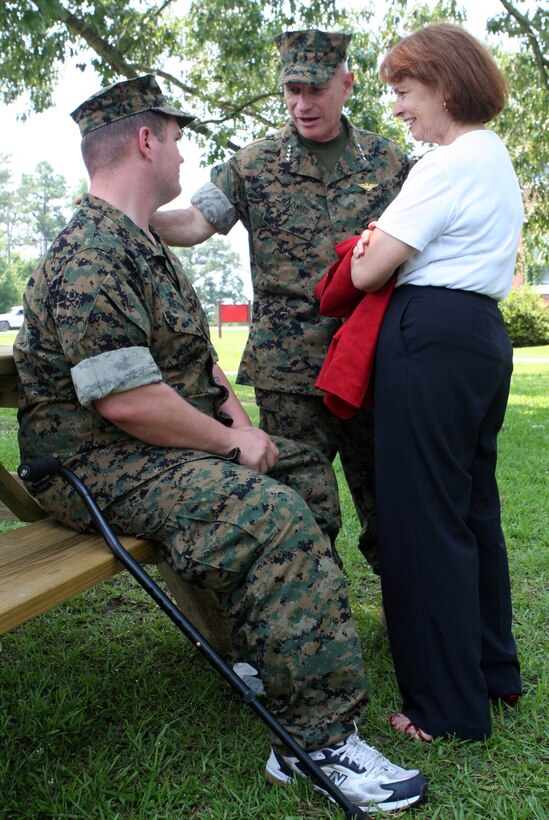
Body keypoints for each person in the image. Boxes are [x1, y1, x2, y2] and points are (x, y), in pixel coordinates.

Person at [14, 75, 427, 813]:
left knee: (297, 469)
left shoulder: (141, 245)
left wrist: (239, 426)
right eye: (174, 138)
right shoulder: (90, 254)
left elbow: (194, 363)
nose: (180, 153)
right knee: (266, 516)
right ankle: (316, 743)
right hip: (90, 464)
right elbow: (128, 401)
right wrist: (230, 449)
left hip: (146, 449)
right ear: (146, 141)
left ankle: (274, 651)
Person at [152, 29, 412, 574]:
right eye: (292, 89)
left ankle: (406, 611)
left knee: (391, 496)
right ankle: (319, 613)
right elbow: (196, 223)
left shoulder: (392, 164)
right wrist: (129, 214)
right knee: (302, 501)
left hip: (372, 359)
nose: (302, 103)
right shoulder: (252, 164)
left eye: (315, 89)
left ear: (346, 83)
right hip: (289, 370)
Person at [349, 23, 523, 741]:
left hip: (430, 336)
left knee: (421, 523)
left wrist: (371, 243)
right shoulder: (494, 158)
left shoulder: (444, 165)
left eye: (402, 91)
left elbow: (365, 270)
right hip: (478, 337)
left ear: (444, 85)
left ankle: (444, 708)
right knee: (470, 509)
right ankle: (489, 672)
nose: (395, 108)